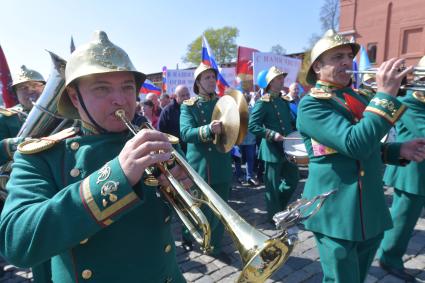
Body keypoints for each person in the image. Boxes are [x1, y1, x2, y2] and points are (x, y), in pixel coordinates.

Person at [0, 31, 187, 283]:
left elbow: (200, 219)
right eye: (102, 89)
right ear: (75, 98)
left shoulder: (156, 142)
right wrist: (117, 176)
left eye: (127, 87)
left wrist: (185, 194)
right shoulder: (42, 156)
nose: (120, 99)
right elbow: (17, 241)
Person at [296, 29, 425, 283]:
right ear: (318, 67)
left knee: (358, 277)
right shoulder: (312, 104)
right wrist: (386, 95)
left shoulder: (357, 97)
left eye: (348, 56)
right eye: (337, 57)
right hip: (335, 209)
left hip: (369, 207)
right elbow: (353, 143)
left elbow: (366, 147)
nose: (347, 61)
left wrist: (398, 150)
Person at [376, 56, 425, 282]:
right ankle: (389, 257)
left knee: (407, 219)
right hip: (410, 172)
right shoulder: (412, 101)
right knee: (402, 220)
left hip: (417, 171)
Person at [179, 63, 232, 264]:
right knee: (198, 206)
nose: (211, 80)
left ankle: (214, 246)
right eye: (207, 77)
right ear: (198, 83)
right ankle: (189, 235)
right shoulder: (188, 106)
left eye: (213, 77)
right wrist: (208, 129)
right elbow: (185, 133)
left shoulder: (223, 102)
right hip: (201, 165)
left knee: (221, 209)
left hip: (221, 162)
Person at [248, 66, 300, 222]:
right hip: (271, 150)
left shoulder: (284, 101)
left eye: (282, 77)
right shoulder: (263, 103)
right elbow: (253, 125)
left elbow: (290, 122)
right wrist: (271, 134)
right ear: (270, 82)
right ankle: (274, 217)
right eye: (278, 78)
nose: (282, 80)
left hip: (287, 148)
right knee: (271, 187)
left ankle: (280, 207)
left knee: (293, 180)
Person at [0, 66, 45, 164]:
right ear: (16, 93)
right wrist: (20, 143)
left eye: (35, 85)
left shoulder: (62, 112)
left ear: (45, 88)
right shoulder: (5, 117)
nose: (30, 90)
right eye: (23, 88)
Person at [158, 85, 190, 153]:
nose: (186, 98)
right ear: (175, 97)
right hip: (175, 152)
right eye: (183, 96)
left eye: (187, 95)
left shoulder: (193, 108)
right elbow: (161, 132)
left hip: (191, 151)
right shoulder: (167, 111)